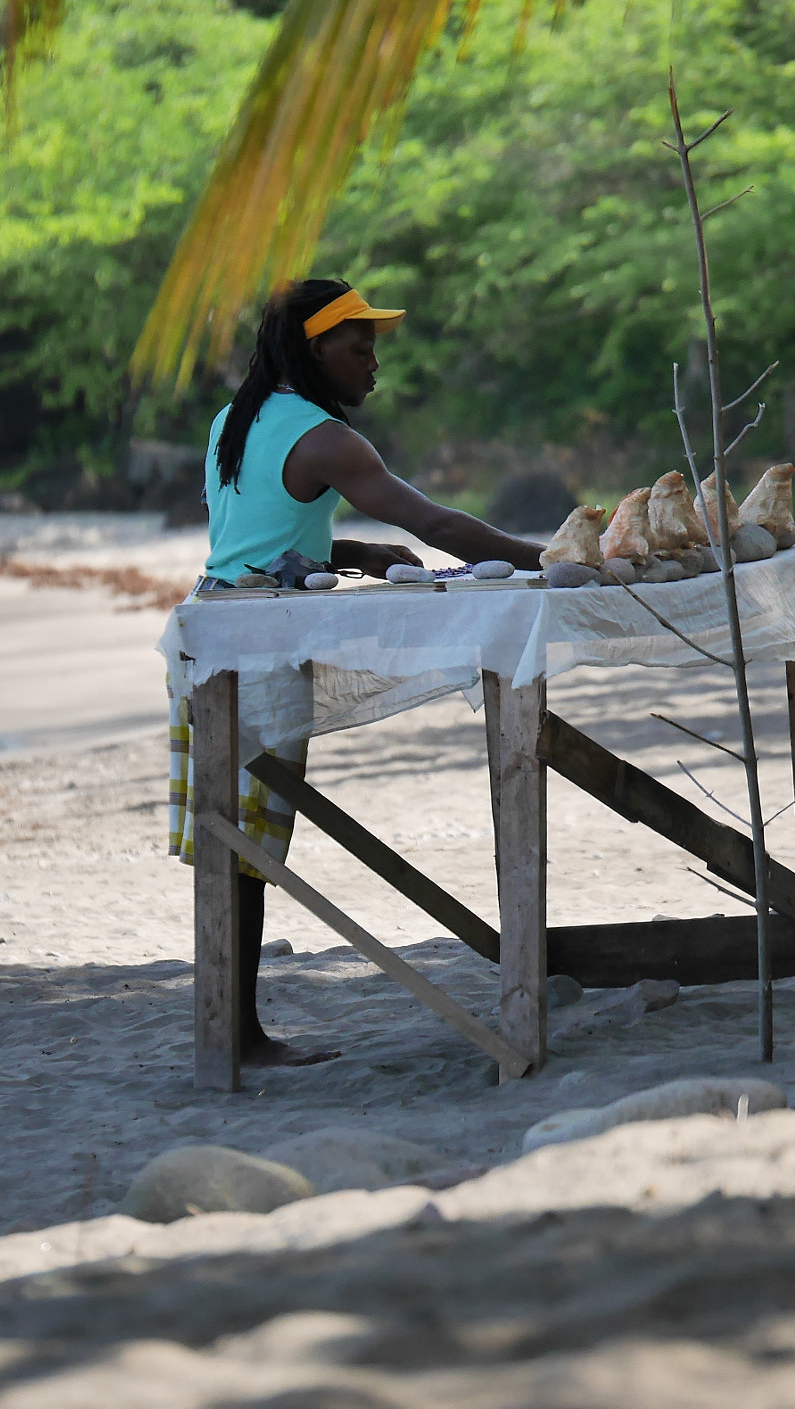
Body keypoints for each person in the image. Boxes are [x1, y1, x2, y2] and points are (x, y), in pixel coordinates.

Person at [168, 278, 543, 1066]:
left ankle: (231, 1030)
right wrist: (556, 559)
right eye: (358, 344)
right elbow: (437, 524)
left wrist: (352, 551)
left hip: (209, 631)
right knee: (248, 846)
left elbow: (248, 542)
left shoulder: (234, 419)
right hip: (262, 643)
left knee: (233, 838)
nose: (374, 360)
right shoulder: (327, 438)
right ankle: (238, 1036)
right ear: (315, 348)